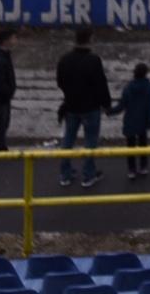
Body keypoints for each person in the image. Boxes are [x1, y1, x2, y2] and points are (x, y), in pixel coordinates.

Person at [54, 26, 111, 189]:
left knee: (68, 140)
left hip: (71, 106)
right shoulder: (94, 60)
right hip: (90, 107)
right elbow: (101, 84)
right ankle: (88, 175)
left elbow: (60, 81)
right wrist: (106, 104)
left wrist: (69, 94)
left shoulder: (64, 59)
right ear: (90, 39)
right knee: (90, 141)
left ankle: (65, 174)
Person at [117, 62, 150, 180]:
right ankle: (143, 166)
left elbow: (121, 105)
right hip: (143, 121)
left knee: (130, 146)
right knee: (143, 144)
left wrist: (109, 111)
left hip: (130, 121)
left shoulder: (128, 87)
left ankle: (131, 169)